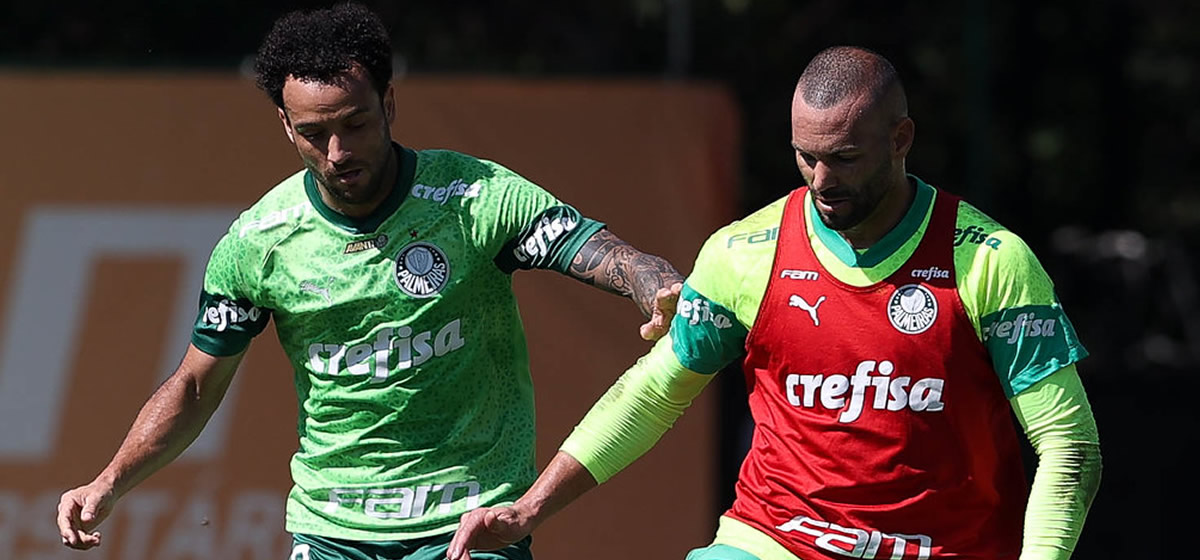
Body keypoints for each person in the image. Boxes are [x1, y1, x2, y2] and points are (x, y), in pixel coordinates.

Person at [55, 4, 684, 559]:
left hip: (472, 522)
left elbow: (603, 252)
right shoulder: (258, 242)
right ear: (284, 124)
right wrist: (108, 481)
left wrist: (656, 287)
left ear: (388, 103)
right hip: (331, 530)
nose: (336, 152)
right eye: (312, 133)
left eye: (354, 124)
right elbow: (194, 388)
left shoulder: (475, 198)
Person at [449, 46, 1102, 560]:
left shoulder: (990, 261)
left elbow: (1069, 445)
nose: (822, 183)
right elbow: (653, 392)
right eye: (805, 157)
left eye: (844, 159)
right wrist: (531, 508)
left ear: (901, 138)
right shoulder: (744, 254)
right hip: (776, 540)